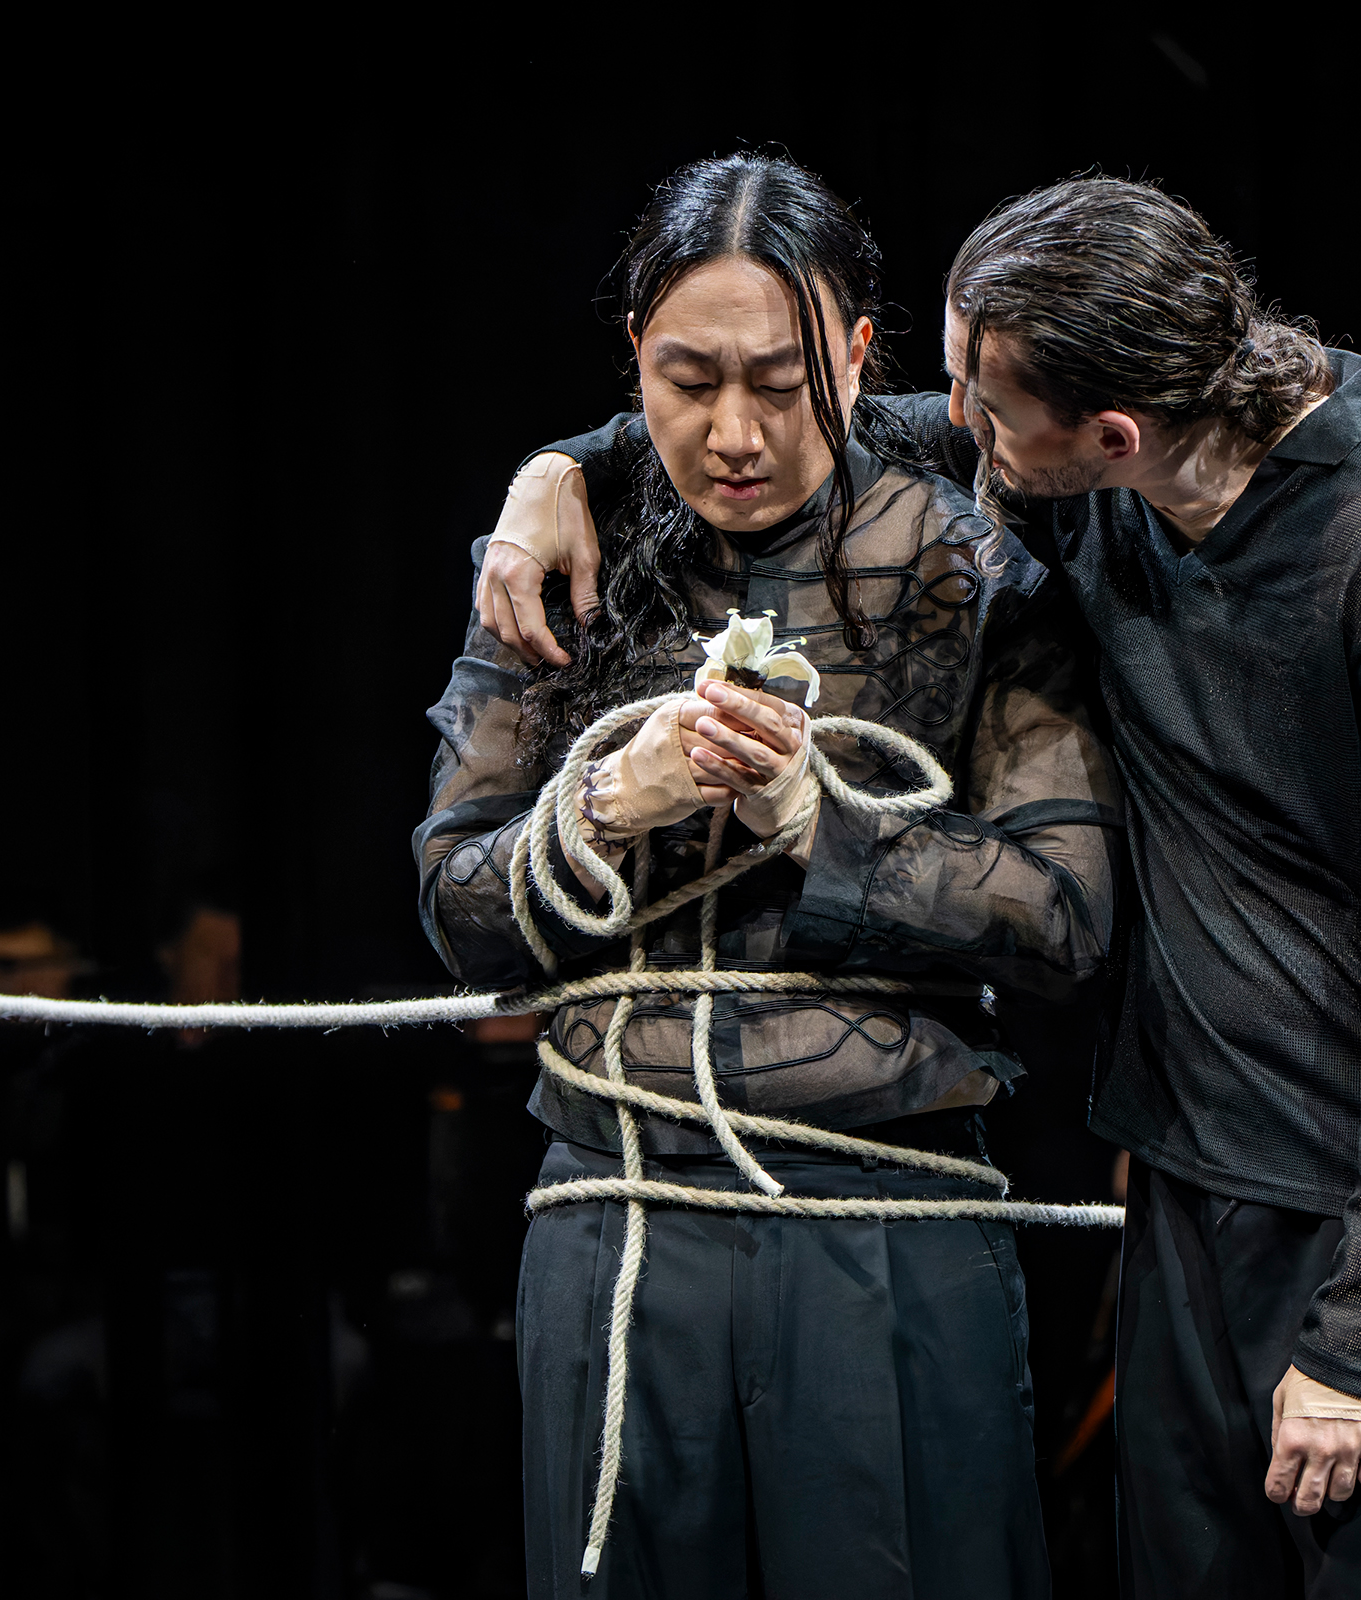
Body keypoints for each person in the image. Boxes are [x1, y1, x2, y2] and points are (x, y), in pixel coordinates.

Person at [482, 175, 1361, 1599]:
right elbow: (804, 418)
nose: (949, 432)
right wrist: (558, 473)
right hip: (1191, 1184)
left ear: (1108, 436)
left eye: (982, 413)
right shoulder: (1106, 480)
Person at [418, 154, 1119, 1600]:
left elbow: (1066, 916)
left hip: (883, 1223)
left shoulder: (972, 563)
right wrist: (604, 806)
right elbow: (457, 909)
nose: (733, 434)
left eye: (783, 384)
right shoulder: (557, 569)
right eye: (687, 383)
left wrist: (816, 819)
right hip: (617, 1225)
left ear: (857, 358)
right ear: (636, 361)